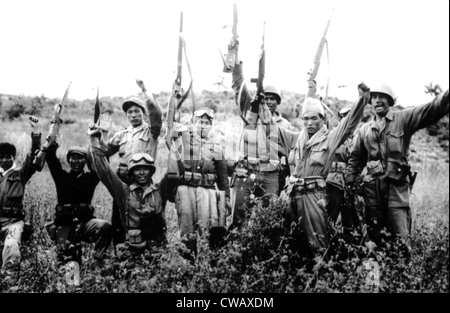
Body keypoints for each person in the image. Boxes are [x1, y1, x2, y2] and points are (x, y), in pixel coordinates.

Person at [346, 85, 449, 250]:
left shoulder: (403, 119)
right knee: (375, 242)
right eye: (374, 97)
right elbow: (355, 159)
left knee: (400, 241)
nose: (378, 100)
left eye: (382, 96)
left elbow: (432, 109)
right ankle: (379, 274)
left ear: (390, 100)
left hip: (396, 191)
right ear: (370, 101)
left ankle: (402, 274)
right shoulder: (364, 130)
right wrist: (350, 182)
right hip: (372, 193)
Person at [283, 83, 370, 258]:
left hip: (314, 196)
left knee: (318, 242)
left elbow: (349, 124)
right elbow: (267, 125)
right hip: (292, 195)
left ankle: (319, 279)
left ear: (323, 119)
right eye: (305, 119)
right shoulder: (297, 138)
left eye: (314, 118)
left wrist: (362, 100)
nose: (309, 123)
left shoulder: (330, 138)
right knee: (290, 241)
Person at [228, 40, 300, 228]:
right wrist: (235, 62)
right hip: (247, 172)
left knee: (270, 218)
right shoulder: (249, 113)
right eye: (265, 98)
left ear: (278, 102)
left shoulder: (283, 125)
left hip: (271, 176)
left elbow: (292, 150)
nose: (268, 101)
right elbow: (238, 88)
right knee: (240, 217)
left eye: (272, 99)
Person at [89, 124, 167, 259]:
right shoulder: (123, 191)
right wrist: (94, 140)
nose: (142, 173)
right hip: (133, 253)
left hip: (157, 253)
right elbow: (104, 171)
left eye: (146, 168)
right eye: (137, 169)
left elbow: (174, 173)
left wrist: (176, 141)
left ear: (151, 171)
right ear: (131, 173)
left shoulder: (160, 190)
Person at [105, 82, 163, 246]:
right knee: (119, 220)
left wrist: (145, 91)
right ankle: (120, 257)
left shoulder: (151, 131)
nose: (133, 115)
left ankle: (145, 257)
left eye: (137, 111)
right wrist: (101, 132)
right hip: (122, 182)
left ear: (144, 113)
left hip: (142, 183)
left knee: (143, 220)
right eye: (129, 112)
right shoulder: (122, 134)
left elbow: (157, 114)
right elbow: (104, 151)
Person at [168, 108, 231, 253]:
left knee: (207, 228)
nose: (203, 126)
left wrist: (226, 198)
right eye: (200, 122)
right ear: (193, 123)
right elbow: (173, 168)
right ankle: (187, 262)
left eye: (207, 123)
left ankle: (206, 262)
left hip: (207, 193)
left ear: (211, 126)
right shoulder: (183, 143)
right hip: (185, 191)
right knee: (187, 229)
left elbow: (223, 178)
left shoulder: (217, 149)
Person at [44, 143, 112, 265]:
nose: (76, 161)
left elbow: (103, 164)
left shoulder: (90, 178)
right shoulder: (61, 177)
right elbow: (51, 160)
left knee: (104, 227)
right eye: (73, 158)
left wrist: (99, 144)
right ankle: (71, 281)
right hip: (65, 226)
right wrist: (52, 145)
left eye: (80, 158)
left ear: (85, 161)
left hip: (85, 225)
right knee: (69, 263)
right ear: (69, 160)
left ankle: (98, 262)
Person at [0, 132, 41, 273]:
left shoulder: (20, 174)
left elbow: (32, 161)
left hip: (13, 222)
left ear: (13, 158)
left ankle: (9, 279)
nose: (5, 160)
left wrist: (35, 140)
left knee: (11, 246)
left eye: (8, 157)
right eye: (1, 157)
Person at [325, 104, 363, 236]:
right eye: (343, 116)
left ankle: (350, 244)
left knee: (351, 218)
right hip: (333, 182)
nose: (346, 119)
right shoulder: (334, 135)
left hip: (351, 183)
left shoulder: (359, 138)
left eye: (349, 116)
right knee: (329, 215)